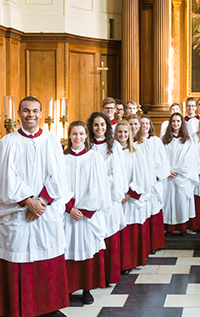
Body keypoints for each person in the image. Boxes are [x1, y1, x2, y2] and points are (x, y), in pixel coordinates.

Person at [0, 96, 71, 317]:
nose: (30, 115)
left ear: (41, 113)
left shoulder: (52, 140)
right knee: (19, 257)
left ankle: (49, 308)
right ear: (19, 113)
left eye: (35, 111)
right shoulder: (8, 141)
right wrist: (28, 201)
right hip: (18, 211)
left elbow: (59, 175)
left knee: (47, 259)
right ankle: (18, 308)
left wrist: (42, 202)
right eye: (26, 111)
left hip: (45, 211)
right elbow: (5, 177)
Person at [63, 121, 110, 307]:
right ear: (69, 136)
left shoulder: (94, 158)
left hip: (87, 215)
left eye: (81, 134)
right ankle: (66, 289)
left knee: (86, 249)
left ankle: (86, 289)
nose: (78, 137)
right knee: (66, 250)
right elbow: (56, 186)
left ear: (86, 136)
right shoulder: (62, 158)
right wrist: (69, 208)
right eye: (74, 134)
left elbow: (99, 187)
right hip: (67, 214)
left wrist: (82, 210)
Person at [87, 112, 126, 284]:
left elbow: (118, 173)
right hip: (91, 199)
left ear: (107, 127)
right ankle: (96, 277)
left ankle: (109, 275)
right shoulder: (87, 146)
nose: (99, 128)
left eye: (102, 124)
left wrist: (107, 189)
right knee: (94, 237)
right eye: (95, 125)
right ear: (91, 127)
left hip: (110, 198)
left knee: (109, 235)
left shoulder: (114, 146)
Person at [114, 120, 151, 272]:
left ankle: (128, 263)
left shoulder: (135, 153)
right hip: (115, 199)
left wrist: (128, 195)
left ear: (129, 134)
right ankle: (116, 264)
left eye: (125, 132)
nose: (122, 135)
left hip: (129, 200)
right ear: (115, 134)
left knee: (129, 231)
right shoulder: (112, 153)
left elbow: (140, 178)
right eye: (119, 132)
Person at [162, 113, 200, 234]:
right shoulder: (164, 140)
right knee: (168, 201)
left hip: (182, 176)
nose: (175, 124)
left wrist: (176, 170)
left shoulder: (188, 140)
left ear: (182, 123)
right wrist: (167, 170)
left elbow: (189, 159)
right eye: (173, 121)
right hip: (167, 177)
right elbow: (160, 157)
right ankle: (169, 228)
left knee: (181, 202)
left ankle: (182, 227)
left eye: (178, 121)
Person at [140, 114, 170, 252]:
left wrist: (155, 177)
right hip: (140, 183)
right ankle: (145, 244)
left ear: (150, 126)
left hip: (155, 182)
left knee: (154, 210)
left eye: (146, 123)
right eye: (141, 123)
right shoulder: (134, 143)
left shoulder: (156, 141)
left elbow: (163, 162)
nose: (144, 126)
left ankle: (155, 243)